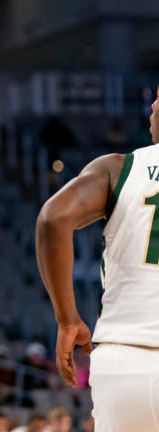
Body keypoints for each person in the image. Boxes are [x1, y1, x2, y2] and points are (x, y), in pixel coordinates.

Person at [36, 87, 159, 432]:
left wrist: (67, 319)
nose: (151, 105)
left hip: (124, 360)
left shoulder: (120, 168)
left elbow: (52, 218)